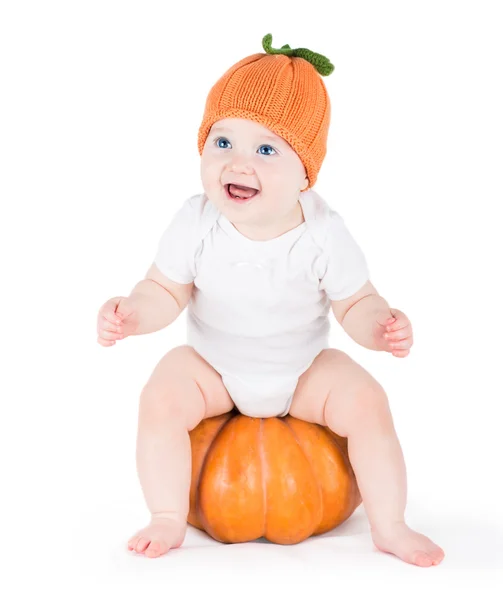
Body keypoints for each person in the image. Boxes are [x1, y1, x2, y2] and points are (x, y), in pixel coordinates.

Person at [97, 34, 445, 567]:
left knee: (367, 401)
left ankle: (390, 523)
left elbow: (356, 302)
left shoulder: (324, 232)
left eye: (265, 149)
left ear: (305, 172)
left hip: (302, 373)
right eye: (223, 143)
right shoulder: (196, 220)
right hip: (212, 370)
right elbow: (165, 289)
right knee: (161, 394)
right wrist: (134, 312)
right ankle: (167, 515)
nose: (238, 163)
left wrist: (380, 325)